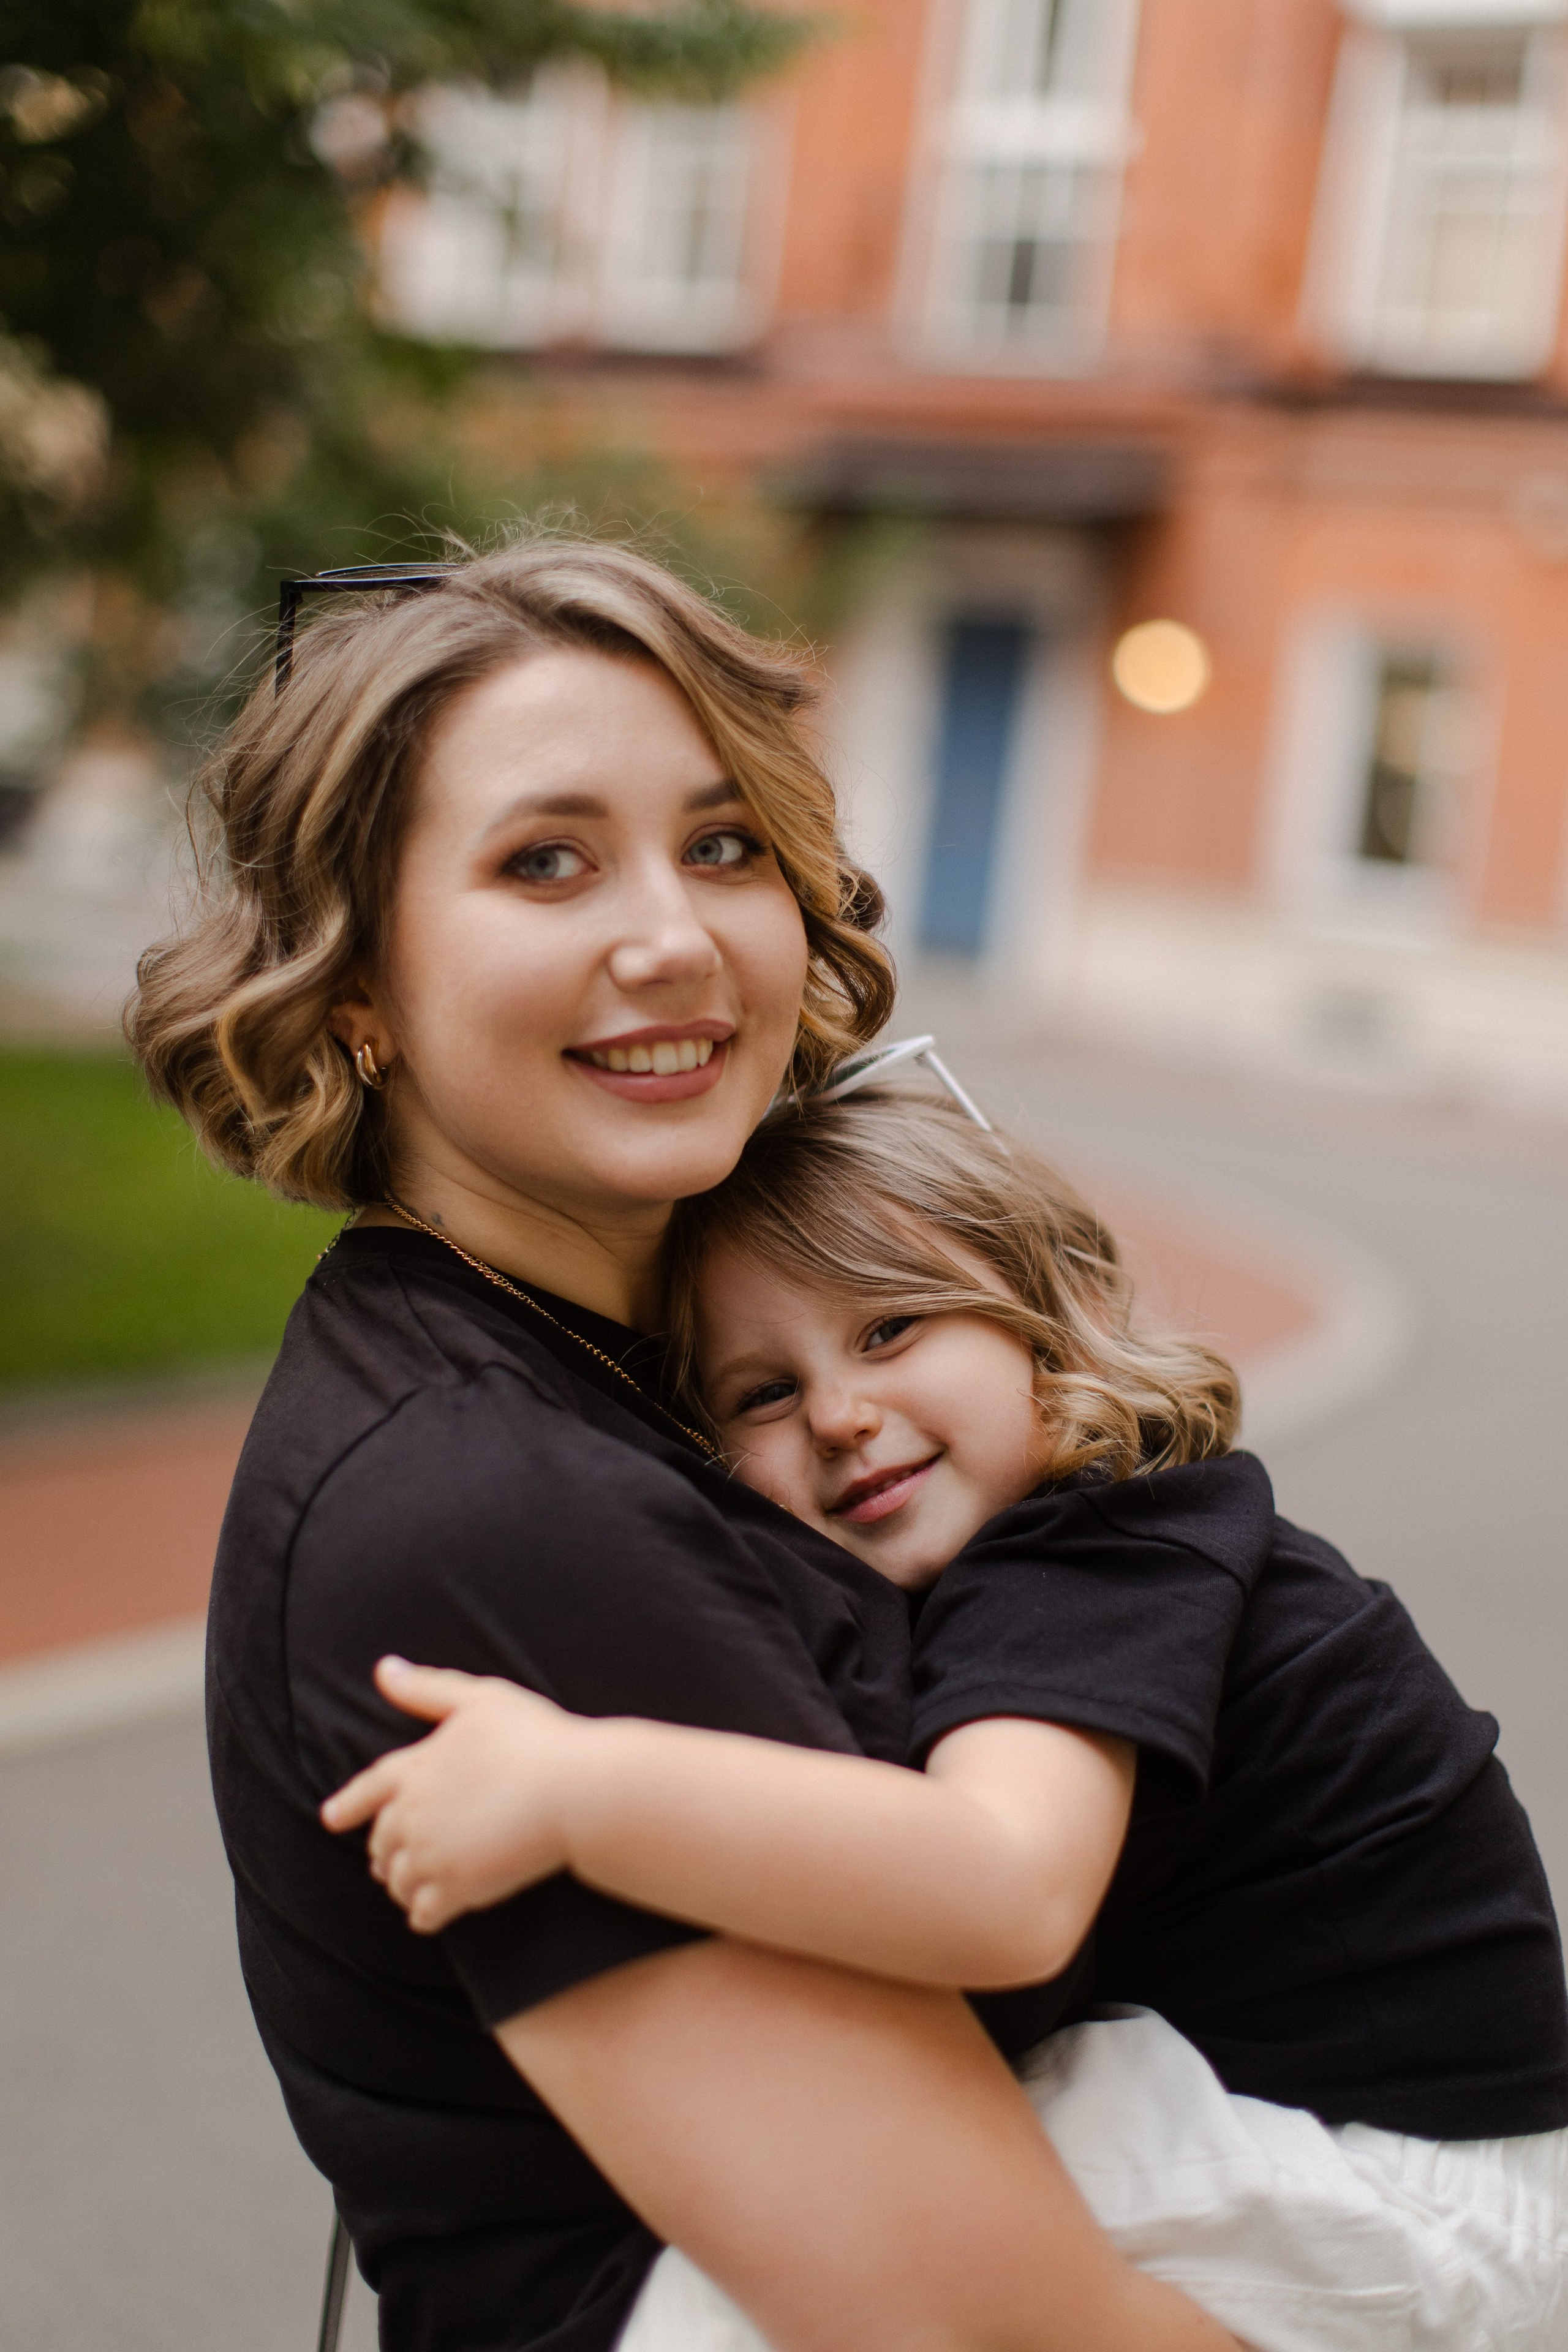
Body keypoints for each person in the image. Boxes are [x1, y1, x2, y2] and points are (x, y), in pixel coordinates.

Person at [127, 539, 1240, 2352]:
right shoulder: (494, 1507)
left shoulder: (594, 1361)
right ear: (355, 990)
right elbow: (991, 2328)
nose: (675, 938)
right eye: (544, 861)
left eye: (725, 846)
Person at [326, 1089, 1568, 2352]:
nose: (836, 1413)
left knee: (785, 2261)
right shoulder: (1031, 1562)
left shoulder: (1101, 1553)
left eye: (891, 1326)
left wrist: (575, 1791)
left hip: (1409, 2176)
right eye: (759, 1393)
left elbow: (1004, 1886)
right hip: (1317, 2117)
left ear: (1046, 1315)